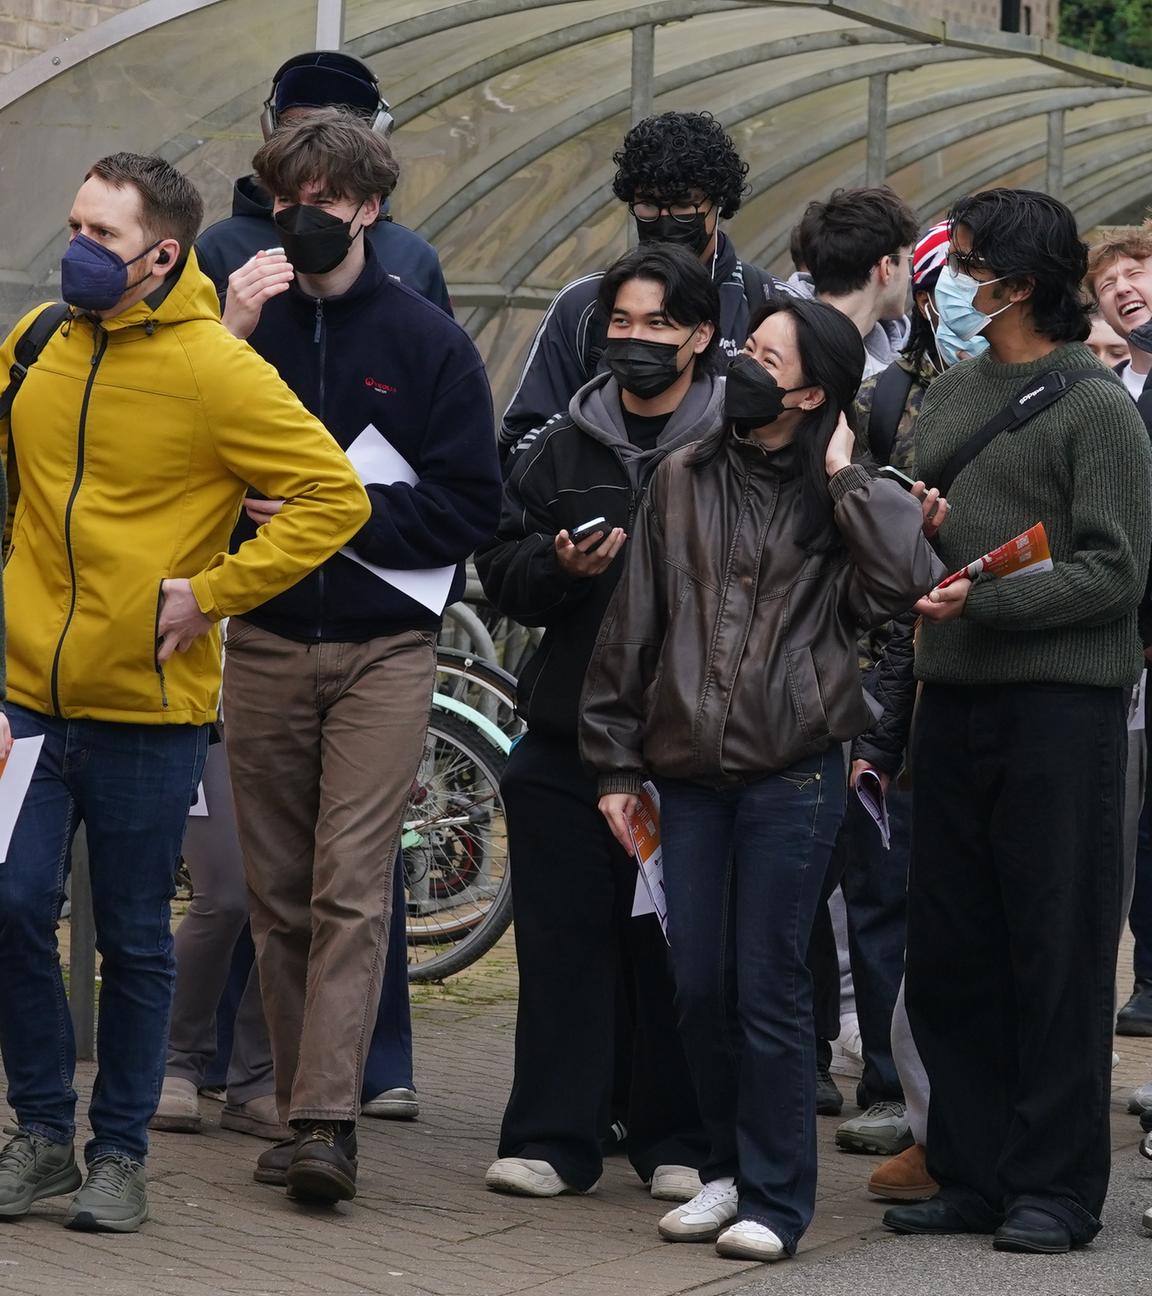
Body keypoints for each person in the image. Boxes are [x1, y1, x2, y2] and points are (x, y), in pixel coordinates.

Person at [0, 152, 369, 1234]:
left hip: (149, 710)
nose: (78, 247)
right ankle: (37, 1136)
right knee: (13, 906)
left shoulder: (217, 368)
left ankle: (117, 1156)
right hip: (25, 694)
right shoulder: (35, 344)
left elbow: (330, 496)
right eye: (74, 221)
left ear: (162, 256)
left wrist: (211, 593)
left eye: (102, 235)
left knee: (133, 934)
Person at [581, 295, 942, 1263]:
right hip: (689, 772)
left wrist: (847, 476)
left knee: (768, 985)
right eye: (746, 347)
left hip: (794, 772)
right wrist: (614, 759)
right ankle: (725, 1169)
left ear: (812, 389)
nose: (742, 362)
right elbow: (634, 624)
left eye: (765, 356)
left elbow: (910, 581)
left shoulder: (845, 492)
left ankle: (778, 1200)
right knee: (697, 983)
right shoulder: (682, 475)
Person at [218, 110, 500, 1207]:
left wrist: (328, 512)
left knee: (349, 884)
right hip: (269, 640)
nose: (305, 219)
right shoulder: (247, 327)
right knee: (277, 893)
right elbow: (191, 471)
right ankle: (298, 1109)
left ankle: (327, 1120)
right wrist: (229, 337)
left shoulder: (426, 341)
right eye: (289, 200)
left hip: (385, 645)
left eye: (328, 201)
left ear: (371, 209)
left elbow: (468, 505)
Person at [886, 189, 1152, 1255]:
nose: (953, 277)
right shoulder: (952, 393)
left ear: (1019, 284)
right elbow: (925, 515)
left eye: (972, 261)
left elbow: (1115, 571)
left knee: (1057, 948)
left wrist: (984, 598)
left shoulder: (1096, 407)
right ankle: (972, 1166)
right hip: (950, 698)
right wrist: (919, 533)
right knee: (955, 947)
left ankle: (1054, 1186)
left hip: (1060, 709)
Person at [477, 243, 721, 1204]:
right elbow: (502, 566)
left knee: (675, 950)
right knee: (563, 941)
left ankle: (680, 1138)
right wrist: (557, 569)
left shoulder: (733, 447)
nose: (637, 341)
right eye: (620, 322)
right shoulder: (560, 445)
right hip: (566, 736)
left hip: (688, 746)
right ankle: (551, 1138)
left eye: (659, 324)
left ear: (702, 335)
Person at [829, 222, 958, 1179]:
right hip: (890, 660)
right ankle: (886, 1079)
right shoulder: (885, 397)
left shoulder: (1057, 389)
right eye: (942, 282)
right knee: (876, 884)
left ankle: (946, 1103)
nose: (955, 298)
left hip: (982, 659)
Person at [500, 110, 788, 454]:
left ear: (719, 204)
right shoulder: (584, 305)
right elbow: (521, 437)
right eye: (649, 207)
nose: (665, 222)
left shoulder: (770, 304)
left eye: (684, 208)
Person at [196, 49, 450, 313]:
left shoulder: (413, 257)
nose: (312, 145)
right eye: (295, 128)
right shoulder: (219, 249)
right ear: (271, 132)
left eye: (337, 133)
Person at [790, 186, 918, 378]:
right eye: (908, 261)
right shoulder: (787, 350)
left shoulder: (778, 336)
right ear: (887, 268)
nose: (909, 276)